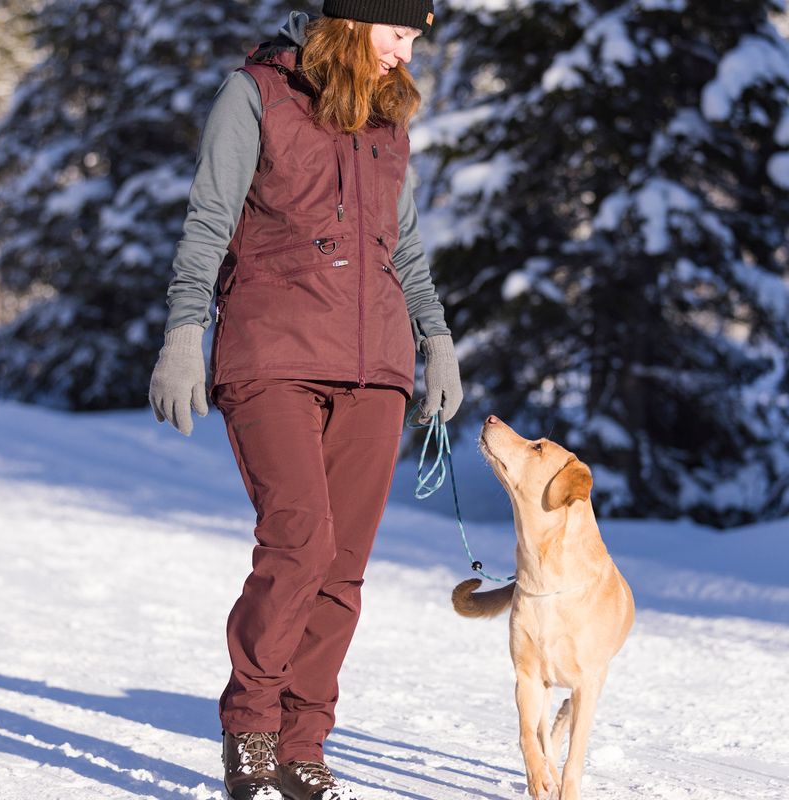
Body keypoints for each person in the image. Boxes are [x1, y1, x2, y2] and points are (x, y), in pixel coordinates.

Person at [149, 2, 462, 798]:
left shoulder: (389, 119)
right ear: (354, 22)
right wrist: (186, 331)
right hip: (272, 351)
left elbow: (408, 244)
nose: (408, 51)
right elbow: (208, 220)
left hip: (375, 367)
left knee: (343, 570)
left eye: (415, 36)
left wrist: (435, 339)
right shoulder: (255, 93)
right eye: (398, 33)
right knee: (299, 545)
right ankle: (250, 728)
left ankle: (302, 746)